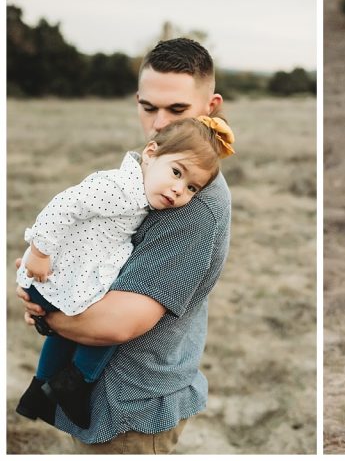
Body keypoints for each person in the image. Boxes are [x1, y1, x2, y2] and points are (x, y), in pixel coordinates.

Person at [14, 38, 232, 454]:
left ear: (211, 106)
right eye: (148, 107)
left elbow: (117, 325)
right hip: (105, 393)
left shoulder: (193, 206)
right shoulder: (151, 170)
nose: (158, 123)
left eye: (176, 109)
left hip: (132, 405)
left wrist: (47, 313)